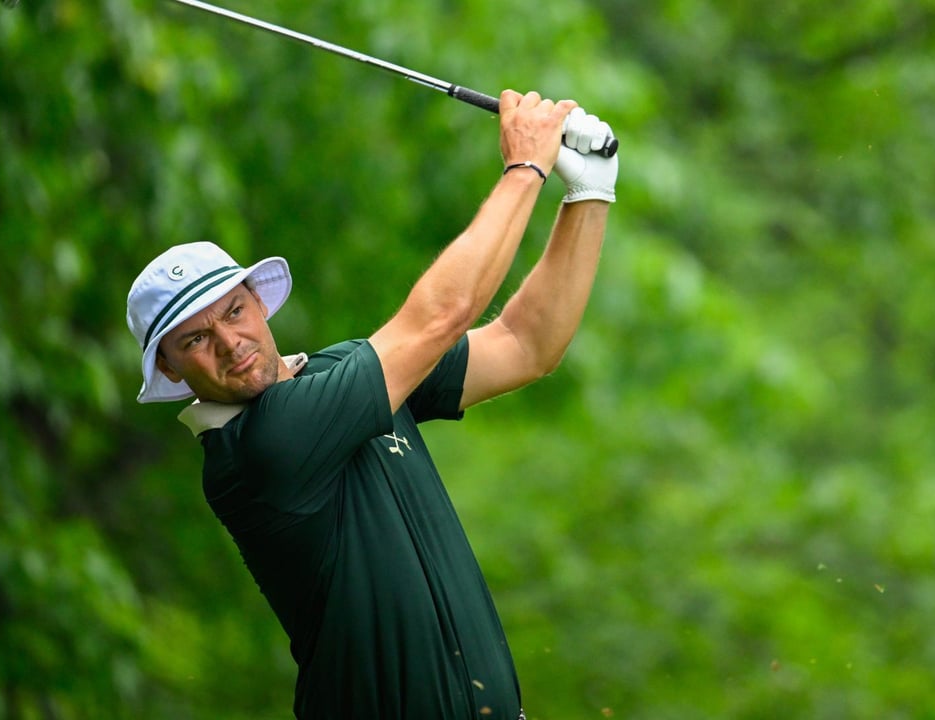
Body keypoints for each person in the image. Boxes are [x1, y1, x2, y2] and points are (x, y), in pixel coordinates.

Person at [125, 89, 618, 720]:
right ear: (169, 368)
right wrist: (526, 167)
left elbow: (526, 344)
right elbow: (441, 315)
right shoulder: (258, 448)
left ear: (259, 300)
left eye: (234, 311)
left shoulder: (341, 374)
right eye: (196, 339)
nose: (230, 342)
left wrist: (589, 194)